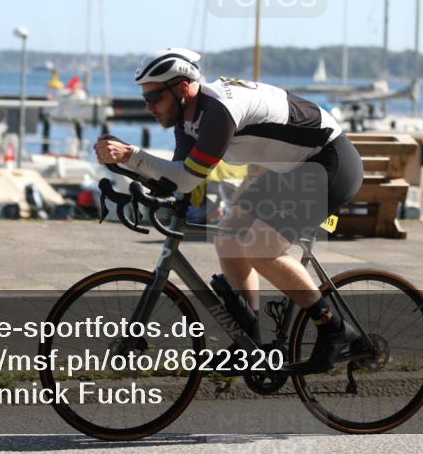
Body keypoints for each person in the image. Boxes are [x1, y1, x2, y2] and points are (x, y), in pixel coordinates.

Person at [94, 47, 365, 372]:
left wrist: (131, 156)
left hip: (328, 163)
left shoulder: (219, 112)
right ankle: (249, 341)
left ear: (182, 88)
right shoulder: (188, 117)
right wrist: (136, 181)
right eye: (145, 100)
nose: (149, 108)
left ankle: (334, 329)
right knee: (228, 237)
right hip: (290, 169)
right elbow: (179, 174)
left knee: (261, 248)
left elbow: (184, 179)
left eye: (154, 98)